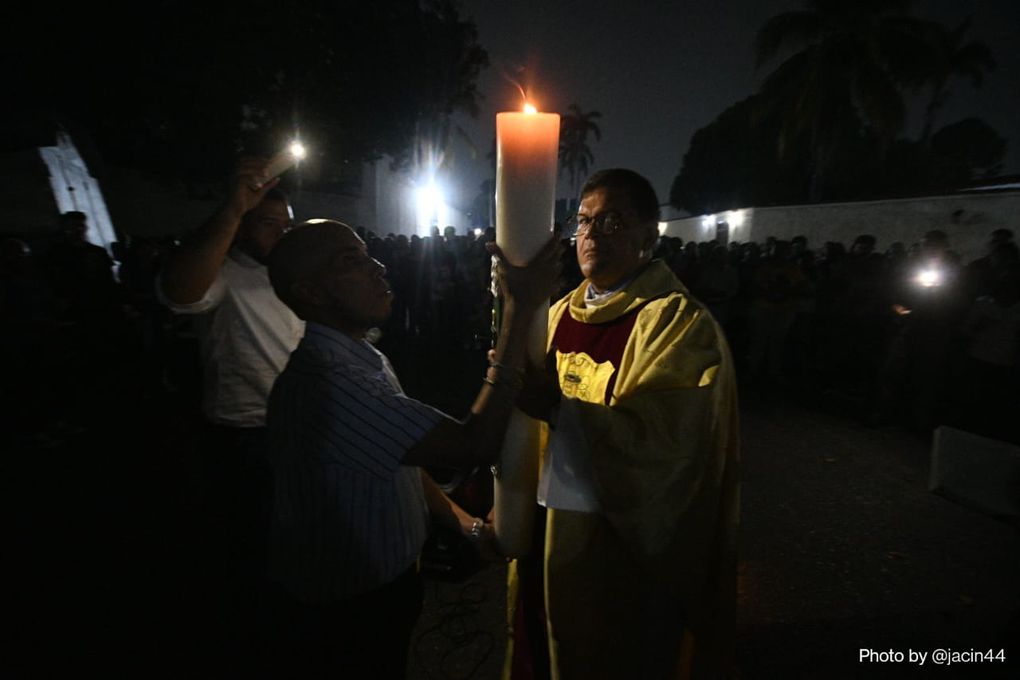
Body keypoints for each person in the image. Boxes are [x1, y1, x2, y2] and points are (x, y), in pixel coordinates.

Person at [262, 219, 561, 678]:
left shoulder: (361, 357)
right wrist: (519, 311)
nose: (378, 268)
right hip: (347, 611)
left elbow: (402, 454)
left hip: (383, 588)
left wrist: (465, 526)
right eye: (352, 262)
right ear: (312, 293)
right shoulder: (332, 385)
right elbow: (471, 443)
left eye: (367, 254)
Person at [504, 169, 740, 679]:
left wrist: (562, 410)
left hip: (619, 547)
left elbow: (672, 447)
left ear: (650, 234)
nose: (591, 235)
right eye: (584, 220)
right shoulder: (560, 311)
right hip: (546, 530)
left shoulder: (676, 323)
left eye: (612, 221)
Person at [156, 158, 304, 666]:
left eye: (288, 225)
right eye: (268, 224)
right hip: (244, 437)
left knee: (296, 550)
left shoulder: (293, 276)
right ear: (240, 227)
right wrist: (234, 206)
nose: (282, 235)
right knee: (249, 558)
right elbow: (179, 291)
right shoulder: (224, 274)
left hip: (298, 432)